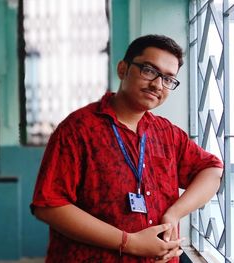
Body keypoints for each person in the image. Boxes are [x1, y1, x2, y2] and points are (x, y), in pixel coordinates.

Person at [30, 34, 223, 263]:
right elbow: (49, 205)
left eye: (168, 79)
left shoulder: (166, 133)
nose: (157, 84)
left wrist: (174, 214)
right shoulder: (78, 129)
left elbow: (212, 170)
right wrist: (129, 242)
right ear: (123, 69)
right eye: (149, 70)